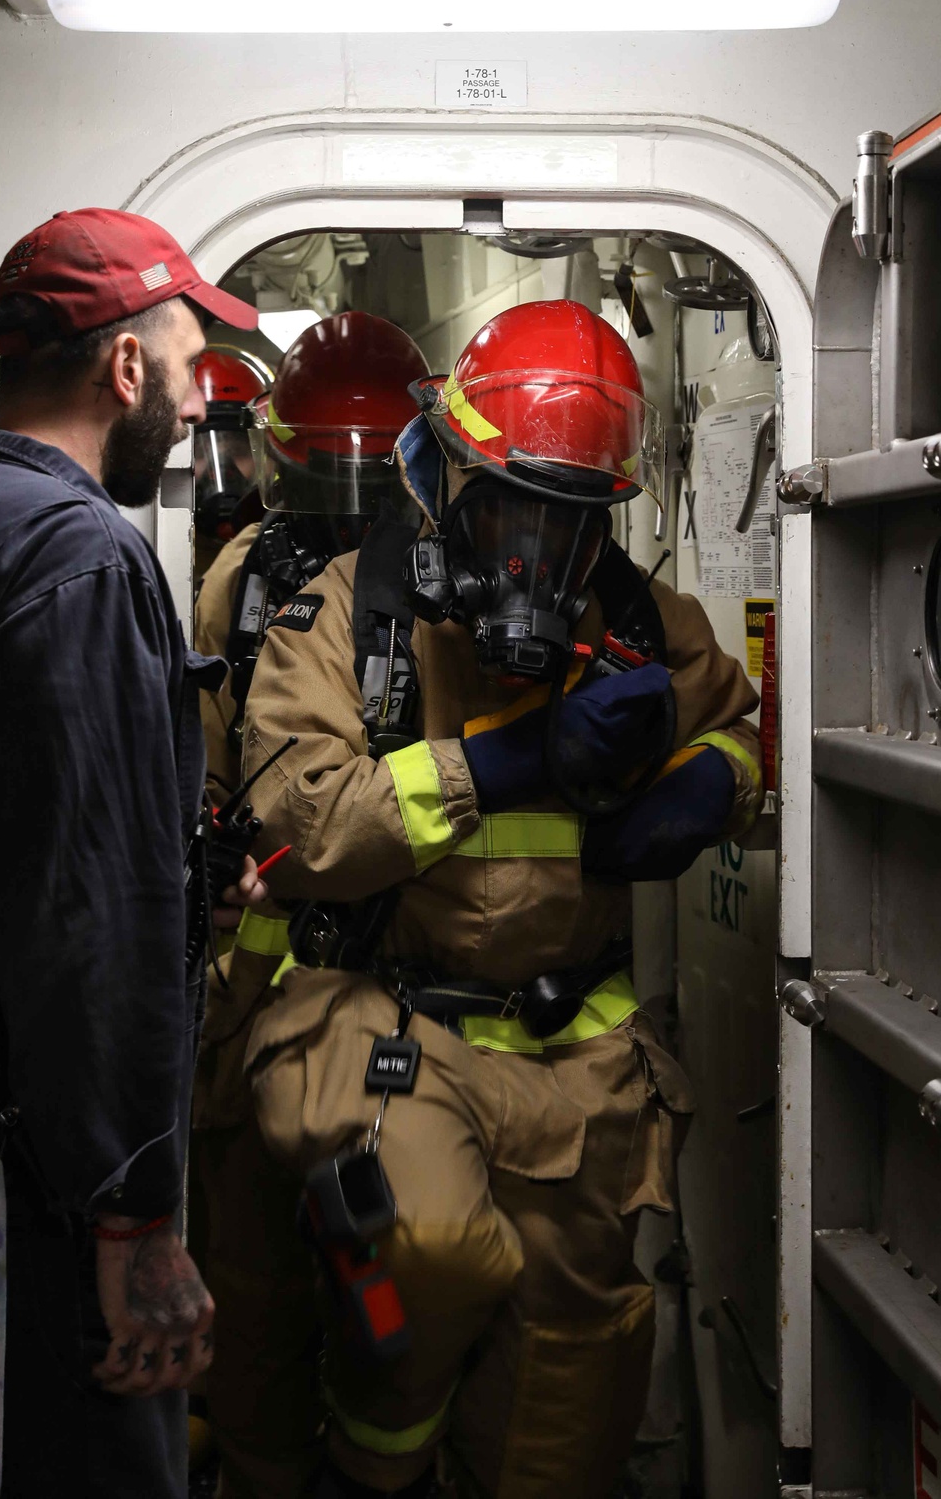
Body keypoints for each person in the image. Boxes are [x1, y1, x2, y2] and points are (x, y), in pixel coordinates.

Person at [239, 300, 764, 1499]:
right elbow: (308, 827)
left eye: (571, 524)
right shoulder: (346, 617)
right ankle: (368, 1473)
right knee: (419, 1260)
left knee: (570, 1380)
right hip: (395, 1025)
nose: (537, 555)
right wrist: (505, 762)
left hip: (576, 1058)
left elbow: (738, 724)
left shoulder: (633, 623)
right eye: (512, 508)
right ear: (445, 480)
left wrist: (704, 790)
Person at [0, 206, 264, 1499]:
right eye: (189, 373)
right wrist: (135, 1221)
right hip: (46, 1195)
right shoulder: (83, 558)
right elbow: (87, 919)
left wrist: (189, 869)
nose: (196, 412)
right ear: (123, 370)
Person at [192, 311, 430, 1498]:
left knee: (387, 1280)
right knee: (250, 1291)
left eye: (372, 475)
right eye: (328, 472)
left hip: (396, 995)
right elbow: (202, 770)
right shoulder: (240, 585)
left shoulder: (448, 588)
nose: (350, 503)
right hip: (254, 988)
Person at [191, 346, 270, 579]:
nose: (220, 472)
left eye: (238, 451)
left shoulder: (281, 557)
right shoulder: (160, 552)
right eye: (199, 452)